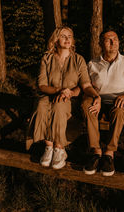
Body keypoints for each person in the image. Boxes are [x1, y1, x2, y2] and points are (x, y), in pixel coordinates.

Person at [27, 26, 100, 170]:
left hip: (69, 99)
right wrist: (59, 90)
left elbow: (85, 84)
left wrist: (96, 96)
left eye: (69, 36)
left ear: (72, 40)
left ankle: (59, 149)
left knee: (59, 105)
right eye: (63, 36)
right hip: (49, 95)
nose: (67, 39)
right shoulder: (46, 58)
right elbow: (41, 85)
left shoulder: (78, 59)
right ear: (55, 40)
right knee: (42, 104)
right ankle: (48, 146)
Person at [82, 28, 124, 176]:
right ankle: (96, 151)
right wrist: (95, 97)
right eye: (108, 39)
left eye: (115, 39)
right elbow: (87, 87)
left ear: (118, 42)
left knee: (119, 109)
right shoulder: (92, 64)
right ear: (100, 44)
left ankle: (109, 154)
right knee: (85, 105)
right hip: (100, 101)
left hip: (121, 103)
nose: (112, 42)